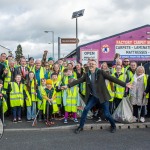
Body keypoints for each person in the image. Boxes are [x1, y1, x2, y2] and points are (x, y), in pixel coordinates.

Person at [61, 59, 132, 133]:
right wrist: (68, 86)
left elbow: (112, 78)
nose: (91, 65)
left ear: (96, 65)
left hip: (103, 96)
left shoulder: (100, 72)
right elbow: (79, 80)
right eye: (90, 64)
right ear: (88, 65)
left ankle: (113, 126)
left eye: (93, 64)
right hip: (94, 97)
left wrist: (125, 84)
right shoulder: (87, 74)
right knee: (85, 109)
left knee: (107, 114)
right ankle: (80, 127)